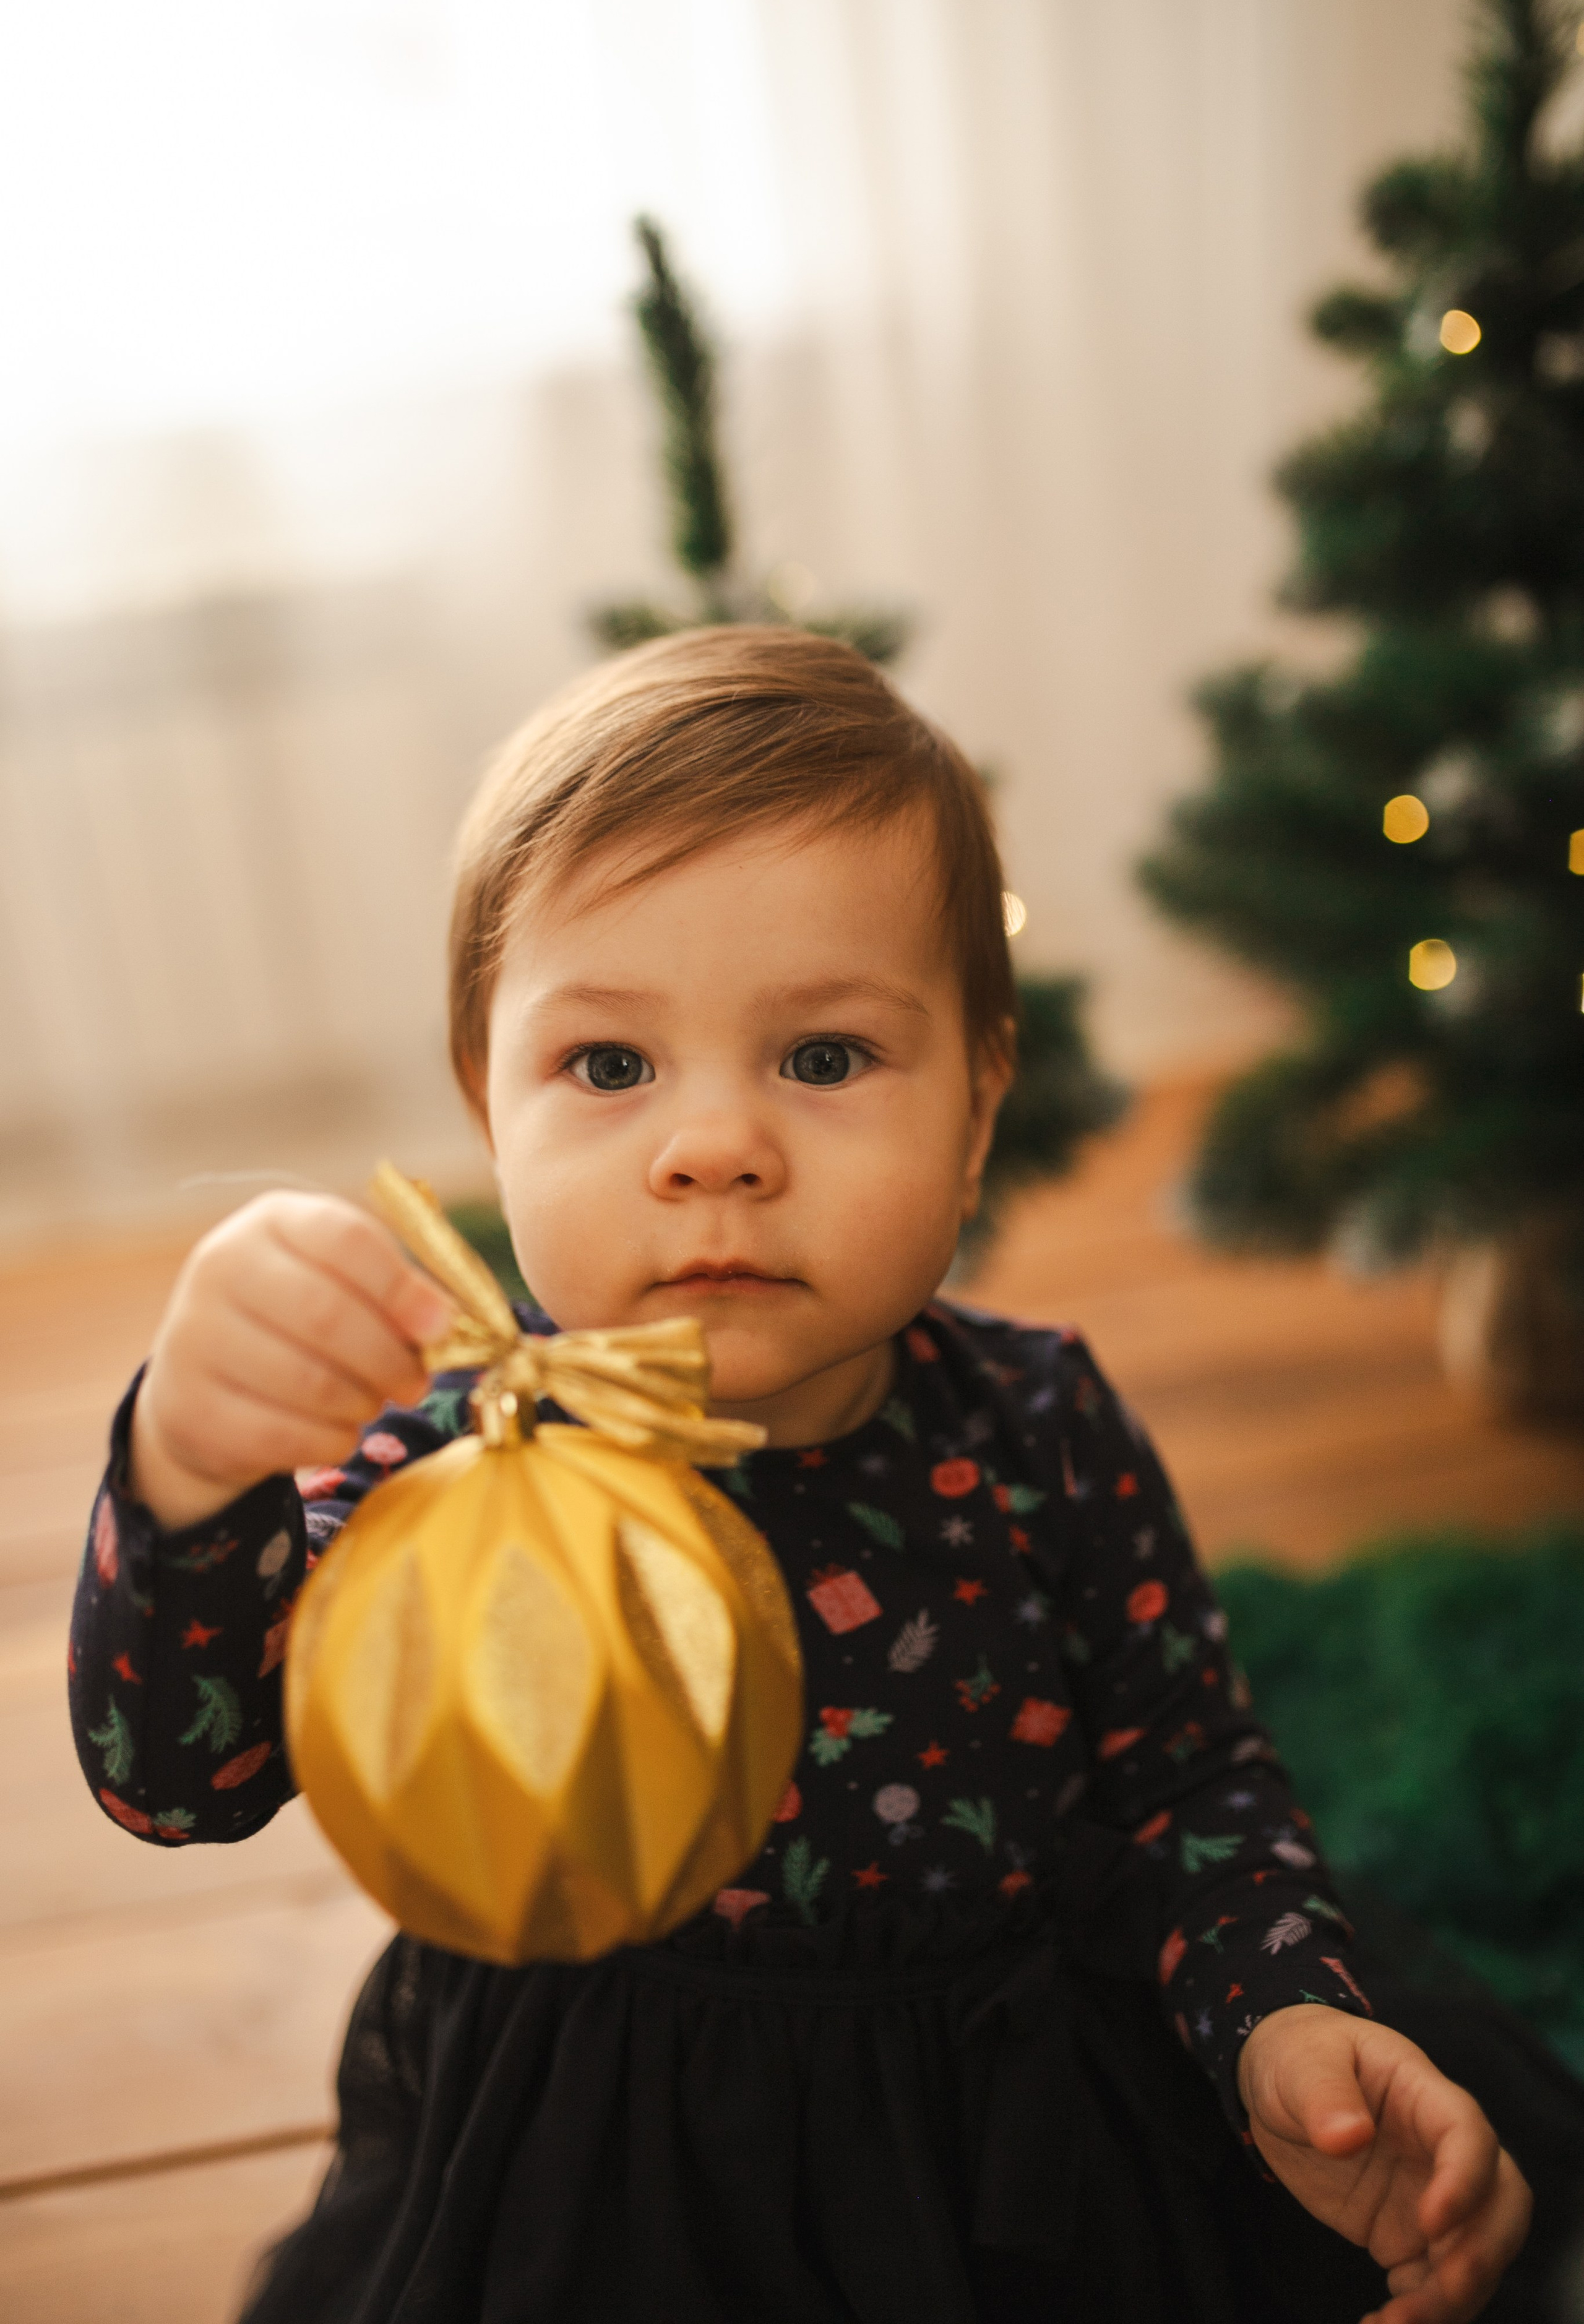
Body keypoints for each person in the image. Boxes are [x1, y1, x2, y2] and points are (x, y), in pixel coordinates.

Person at [67, 628, 1567, 2323]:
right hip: (601, 2156)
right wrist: (190, 1471)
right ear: (491, 1110)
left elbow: (1188, 1779)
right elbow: (177, 1783)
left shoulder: (1040, 1424)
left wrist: (1285, 2010)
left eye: (826, 1058)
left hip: (1020, 2137)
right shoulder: (445, 1481)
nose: (716, 1148)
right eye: (611, 1067)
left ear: (980, 1109)